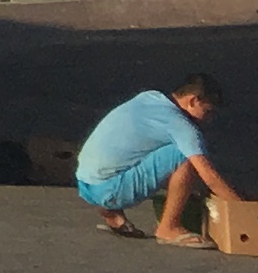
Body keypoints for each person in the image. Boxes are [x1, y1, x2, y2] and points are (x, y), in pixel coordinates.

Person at [77, 73, 243, 247]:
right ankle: (168, 228)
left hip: (85, 183)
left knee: (136, 152)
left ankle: (112, 214)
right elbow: (209, 177)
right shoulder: (182, 127)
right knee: (184, 155)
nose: (208, 120)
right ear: (193, 100)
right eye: (207, 112)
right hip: (111, 191)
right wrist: (244, 209)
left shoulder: (150, 97)